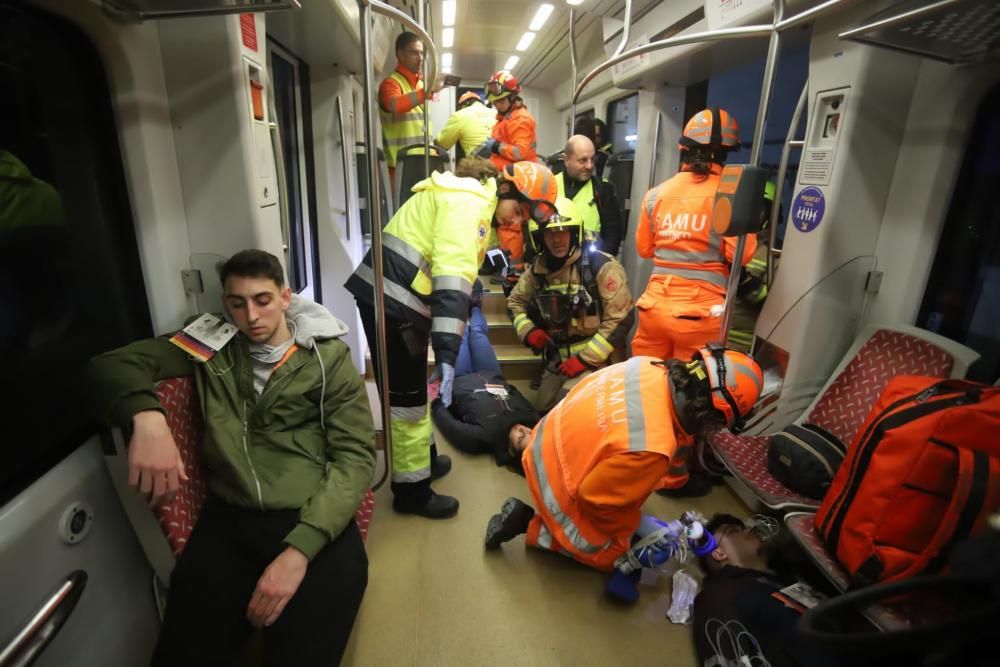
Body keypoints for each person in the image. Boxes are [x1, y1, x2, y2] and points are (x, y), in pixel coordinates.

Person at [87, 249, 375, 666]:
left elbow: (355, 457)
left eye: (262, 300)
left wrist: (299, 552)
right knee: (181, 654)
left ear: (285, 297)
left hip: (312, 512)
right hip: (230, 517)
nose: (251, 315)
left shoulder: (326, 359)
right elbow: (109, 366)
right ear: (226, 304)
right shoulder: (209, 344)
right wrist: (148, 418)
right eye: (237, 303)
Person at [345, 158, 558, 519]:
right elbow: (451, 277)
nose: (516, 221)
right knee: (407, 399)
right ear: (505, 189)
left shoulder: (468, 197)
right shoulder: (470, 204)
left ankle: (423, 461)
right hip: (393, 302)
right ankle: (412, 493)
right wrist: (446, 353)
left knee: (409, 390)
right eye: (518, 211)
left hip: (392, 297)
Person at [483, 347, 764, 578]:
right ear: (710, 414)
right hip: (556, 486)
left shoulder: (647, 365)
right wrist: (633, 529)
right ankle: (527, 524)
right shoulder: (654, 446)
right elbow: (596, 500)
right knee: (615, 554)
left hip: (542, 444)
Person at [632, 107, 757, 363]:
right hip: (700, 314)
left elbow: (644, 249)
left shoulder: (655, 195)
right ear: (725, 153)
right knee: (690, 393)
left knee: (644, 380)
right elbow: (741, 255)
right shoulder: (729, 197)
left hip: (653, 308)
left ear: (684, 151)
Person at [507, 197, 634, 412]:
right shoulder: (538, 270)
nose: (557, 240)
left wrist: (584, 361)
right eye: (550, 233)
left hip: (597, 361)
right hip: (560, 359)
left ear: (575, 233)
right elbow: (515, 302)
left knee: (565, 409)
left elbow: (621, 318)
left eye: (563, 231)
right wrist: (529, 331)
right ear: (540, 238)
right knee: (541, 410)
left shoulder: (600, 266)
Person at [694, 514, 844, 667]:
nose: (750, 531)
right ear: (718, 554)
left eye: (744, 528)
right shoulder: (719, 595)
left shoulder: (785, 578)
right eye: (733, 531)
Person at [431, 298, 539, 466]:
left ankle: (456, 303)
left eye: (521, 438)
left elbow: (449, 426)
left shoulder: (482, 438)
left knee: (462, 335)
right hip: (491, 373)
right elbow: (517, 394)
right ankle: (474, 304)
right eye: (530, 433)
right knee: (477, 332)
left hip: (461, 379)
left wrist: (437, 402)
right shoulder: (532, 418)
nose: (524, 430)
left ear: (510, 450)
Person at [476, 70, 538, 266]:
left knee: (510, 225)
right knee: (501, 225)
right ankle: (502, 263)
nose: (498, 105)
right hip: (507, 177)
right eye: (496, 102)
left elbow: (520, 152)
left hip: (517, 180)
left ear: (513, 97)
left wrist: (494, 146)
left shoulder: (521, 120)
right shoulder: (506, 119)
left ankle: (514, 269)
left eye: (502, 101)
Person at [378, 31, 443, 187]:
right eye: (414, 53)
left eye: (421, 53)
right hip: (401, 165)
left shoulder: (421, 85)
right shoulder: (391, 83)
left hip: (425, 161)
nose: (420, 58)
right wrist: (425, 92)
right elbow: (395, 105)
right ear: (400, 54)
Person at [728, 181, 776, 353]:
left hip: (743, 347)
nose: (751, 215)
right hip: (707, 334)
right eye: (747, 209)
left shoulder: (774, 255)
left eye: (758, 210)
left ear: (770, 215)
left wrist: (741, 279)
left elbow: (771, 303)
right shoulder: (725, 241)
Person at [557, 135, 624, 256]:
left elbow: (613, 237)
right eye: (582, 160)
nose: (589, 166)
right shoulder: (550, 186)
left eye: (592, 159)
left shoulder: (603, 189)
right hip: (555, 267)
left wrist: (600, 264)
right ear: (567, 161)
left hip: (591, 267)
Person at [435, 91, 497, 159]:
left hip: (478, 160)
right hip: (500, 156)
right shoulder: (495, 113)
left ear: (463, 105)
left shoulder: (459, 115)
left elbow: (442, 144)